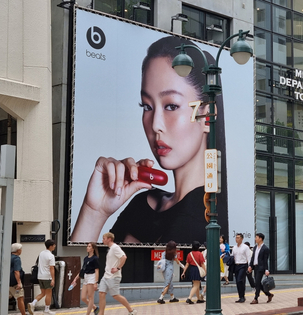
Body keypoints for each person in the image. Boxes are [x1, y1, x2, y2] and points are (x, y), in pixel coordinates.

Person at [70, 35, 228, 245]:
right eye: (147, 106)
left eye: (171, 106)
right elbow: (84, 276)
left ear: (207, 117)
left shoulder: (205, 221)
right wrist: (94, 212)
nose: (155, 125)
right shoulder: (142, 203)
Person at [98, 232, 137, 315]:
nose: (102, 240)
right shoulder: (110, 249)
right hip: (106, 276)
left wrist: (118, 268)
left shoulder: (115, 247)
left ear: (109, 239)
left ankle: (131, 310)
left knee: (115, 295)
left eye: (104, 239)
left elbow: (124, 257)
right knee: (101, 293)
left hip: (114, 276)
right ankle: (101, 313)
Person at [70, 242, 100, 315]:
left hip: (92, 277)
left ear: (93, 248)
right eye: (87, 246)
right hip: (86, 277)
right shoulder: (86, 258)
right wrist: (75, 279)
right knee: (83, 297)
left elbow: (97, 270)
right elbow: (82, 270)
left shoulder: (95, 258)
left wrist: (95, 282)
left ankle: (88, 313)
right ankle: (95, 308)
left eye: (89, 246)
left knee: (90, 297)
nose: (87, 247)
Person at [28, 239, 56, 315]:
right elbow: (51, 268)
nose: (54, 246)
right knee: (48, 293)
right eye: (54, 245)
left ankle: (33, 303)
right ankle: (47, 309)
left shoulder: (41, 253)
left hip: (40, 276)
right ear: (50, 246)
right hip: (47, 277)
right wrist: (53, 279)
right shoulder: (51, 256)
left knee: (43, 293)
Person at [248, 233, 273, 304]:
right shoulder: (255, 247)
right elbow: (253, 258)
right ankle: (269, 294)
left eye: (256, 237)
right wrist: (250, 266)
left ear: (260, 239)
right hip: (255, 267)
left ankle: (256, 298)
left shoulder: (265, 249)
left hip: (261, 267)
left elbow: (265, 260)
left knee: (257, 282)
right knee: (258, 283)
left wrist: (266, 269)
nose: (255, 239)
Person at [231, 233, 252, 303]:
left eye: (238, 238)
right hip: (236, 265)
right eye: (236, 237)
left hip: (243, 265)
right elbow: (232, 256)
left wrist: (249, 266)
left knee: (240, 280)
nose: (236, 239)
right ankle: (241, 296)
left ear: (242, 239)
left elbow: (248, 257)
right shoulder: (234, 247)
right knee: (237, 281)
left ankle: (242, 296)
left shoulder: (245, 247)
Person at [9, 243, 25, 315]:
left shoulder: (7, 257)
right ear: (18, 250)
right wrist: (19, 282)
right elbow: (16, 271)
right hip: (14, 282)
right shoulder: (16, 259)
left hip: (7, 281)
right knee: (20, 298)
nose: (21, 251)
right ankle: (23, 314)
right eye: (21, 249)